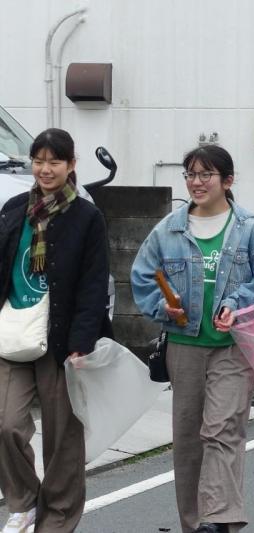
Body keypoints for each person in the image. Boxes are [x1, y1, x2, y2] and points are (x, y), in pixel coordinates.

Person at [131, 145, 254, 533]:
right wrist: (162, 309)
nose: (196, 182)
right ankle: (195, 524)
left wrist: (237, 302)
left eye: (205, 175)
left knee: (222, 430)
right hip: (184, 347)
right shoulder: (169, 229)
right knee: (188, 441)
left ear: (227, 181)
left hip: (233, 349)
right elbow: (142, 276)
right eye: (190, 174)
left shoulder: (249, 228)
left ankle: (218, 520)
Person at [0, 128, 112, 533]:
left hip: (62, 342)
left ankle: (58, 521)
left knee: (63, 437)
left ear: (71, 166)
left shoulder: (86, 217)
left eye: (54, 161)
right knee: (6, 422)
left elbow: (94, 282)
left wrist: (82, 342)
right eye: (39, 160)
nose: (45, 169)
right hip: (12, 333)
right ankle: (25, 502)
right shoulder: (13, 209)